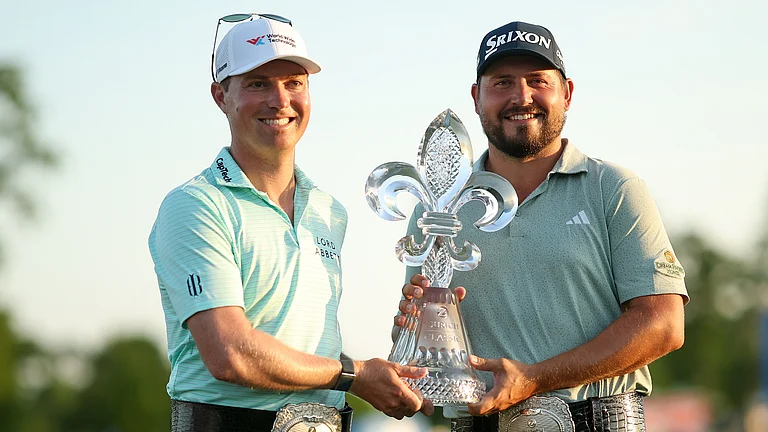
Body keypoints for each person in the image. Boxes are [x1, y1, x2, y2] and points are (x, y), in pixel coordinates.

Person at [395, 21, 688, 432]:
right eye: (502, 83)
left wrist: (535, 379)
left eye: (538, 80)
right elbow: (418, 342)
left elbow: (664, 325)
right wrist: (409, 335)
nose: (521, 97)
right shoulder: (438, 208)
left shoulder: (614, 189)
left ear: (566, 93)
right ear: (477, 97)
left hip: (598, 420)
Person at [149, 14, 432, 432]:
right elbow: (231, 353)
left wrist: (414, 343)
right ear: (220, 96)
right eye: (257, 83)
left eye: (294, 83)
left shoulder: (328, 210)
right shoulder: (195, 205)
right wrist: (356, 375)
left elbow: (308, 346)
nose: (280, 101)